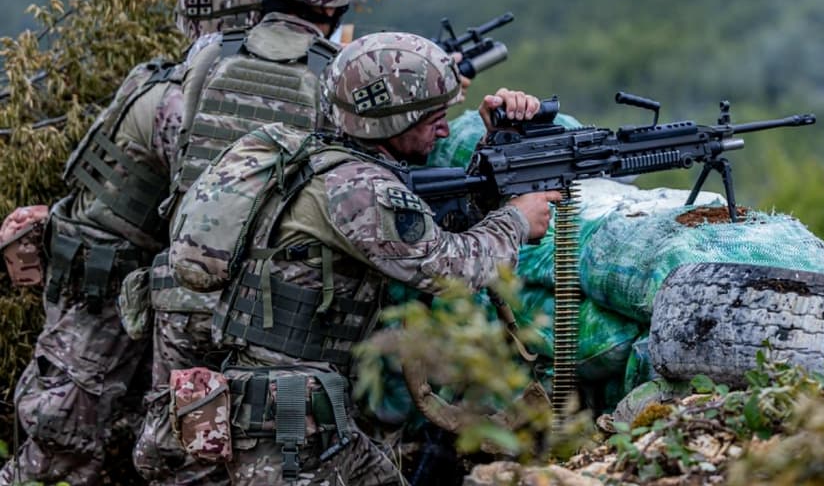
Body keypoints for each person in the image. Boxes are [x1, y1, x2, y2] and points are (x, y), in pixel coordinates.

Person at [162, 31, 561, 485]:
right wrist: (515, 220)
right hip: (289, 423)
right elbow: (449, 269)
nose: (446, 128)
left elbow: (429, 233)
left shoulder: (331, 162)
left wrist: (496, 143)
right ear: (391, 122)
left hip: (302, 406)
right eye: (433, 118)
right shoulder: (360, 190)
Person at [0, 0, 262, 486]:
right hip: (102, 301)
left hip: (114, 294)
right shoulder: (180, 99)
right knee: (61, 453)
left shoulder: (168, 80)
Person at [134, 0, 359, 485]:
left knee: (183, 449)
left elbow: (180, 147)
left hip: (183, 289)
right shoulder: (332, 71)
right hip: (269, 311)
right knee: (272, 458)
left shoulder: (210, 54)